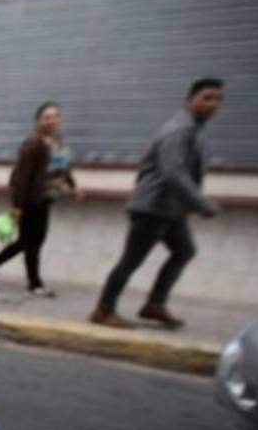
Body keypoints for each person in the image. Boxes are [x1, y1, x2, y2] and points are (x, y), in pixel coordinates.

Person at [90, 78, 225, 329]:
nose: (214, 104)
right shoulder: (180, 129)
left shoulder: (194, 129)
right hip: (153, 207)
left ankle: (155, 304)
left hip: (170, 209)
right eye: (207, 97)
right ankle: (103, 309)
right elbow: (173, 172)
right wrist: (202, 204)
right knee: (131, 260)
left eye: (218, 99)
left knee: (184, 250)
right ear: (190, 100)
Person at [0, 102, 76, 296]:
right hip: (32, 200)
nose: (52, 120)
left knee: (30, 241)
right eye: (47, 117)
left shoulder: (57, 142)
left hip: (46, 199)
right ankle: (32, 283)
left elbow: (63, 168)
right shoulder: (33, 143)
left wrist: (72, 186)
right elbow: (20, 176)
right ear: (38, 120)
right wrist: (16, 205)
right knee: (30, 241)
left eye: (55, 116)